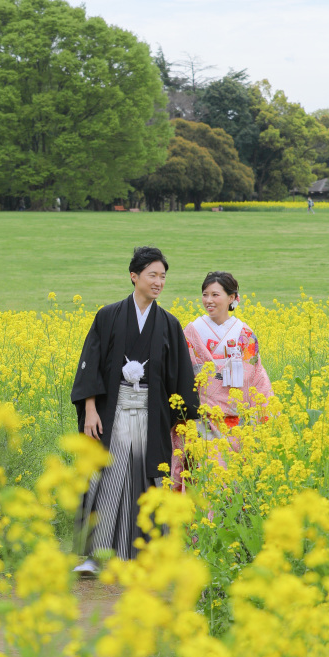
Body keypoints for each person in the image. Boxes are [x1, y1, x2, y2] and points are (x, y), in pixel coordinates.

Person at [71, 246, 199, 574]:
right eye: (152, 275)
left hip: (151, 416)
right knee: (105, 477)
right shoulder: (108, 316)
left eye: (163, 276)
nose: (158, 282)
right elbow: (91, 365)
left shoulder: (169, 324)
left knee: (146, 480)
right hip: (111, 412)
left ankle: (145, 554)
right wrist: (90, 410)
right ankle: (94, 556)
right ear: (134, 276)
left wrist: (183, 421)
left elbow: (180, 377)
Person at [172, 271, 273, 483]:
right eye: (205, 294)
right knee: (204, 478)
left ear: (232, 298)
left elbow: (255, 375)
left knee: (233, 479)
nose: (208, 300)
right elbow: (182, 372)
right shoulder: (192, 330)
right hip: (201, 418)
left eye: (215, 295)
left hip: (235, 420)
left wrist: (265, 409)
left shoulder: (244, 333)